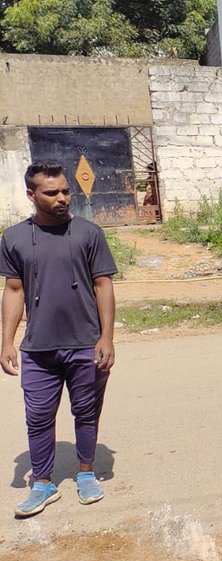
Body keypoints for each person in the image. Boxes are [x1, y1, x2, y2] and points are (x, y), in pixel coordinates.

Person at [1, 161, 117, 518]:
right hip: (38, 348)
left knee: (86, 412)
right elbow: (14, 289)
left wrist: (107, 337)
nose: (63, 198)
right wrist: (7, 341)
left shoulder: (88, 233)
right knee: (37, 416)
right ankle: (43, 483)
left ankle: (86, 473)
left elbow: (103, 286)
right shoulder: (14, 238)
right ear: (32, 195)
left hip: (85, 343)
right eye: (52, 193)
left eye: (66, 190)